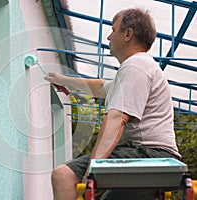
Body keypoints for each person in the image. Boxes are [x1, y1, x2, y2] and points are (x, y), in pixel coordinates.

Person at [44, 8, 181, 200]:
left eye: (113, 30)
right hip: (151, 154)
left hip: (147, 154)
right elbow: (101, 88)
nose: (109, 37)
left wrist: (92, 170)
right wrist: (64, 80)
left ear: (128, 34)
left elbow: (117, 118)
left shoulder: (135, 66)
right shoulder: (140, 67)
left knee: (64, 175)